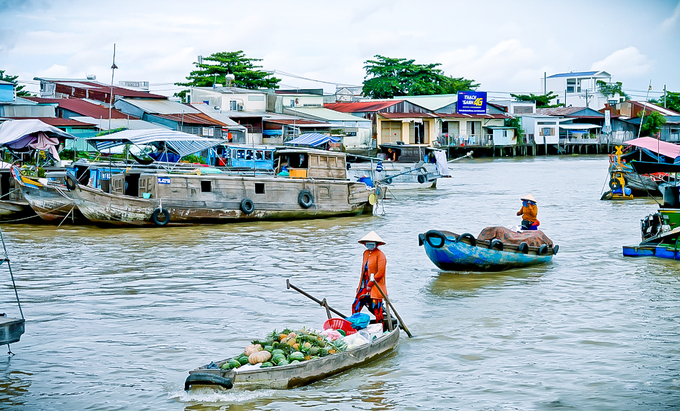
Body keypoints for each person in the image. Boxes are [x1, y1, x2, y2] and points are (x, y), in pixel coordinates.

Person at [352, 231, 388, 330]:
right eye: (368, 243)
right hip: (364, 286)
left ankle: (380, 328)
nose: (370, 245)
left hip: (375, 286)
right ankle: (355, 326)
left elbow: (380, 273)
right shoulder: (365, 253)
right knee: (356, 306)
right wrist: (362, 286)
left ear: (376, 244)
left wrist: (370, 284)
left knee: (377, 309)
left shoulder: (380, 255)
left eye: (372, 243)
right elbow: (364, 271)